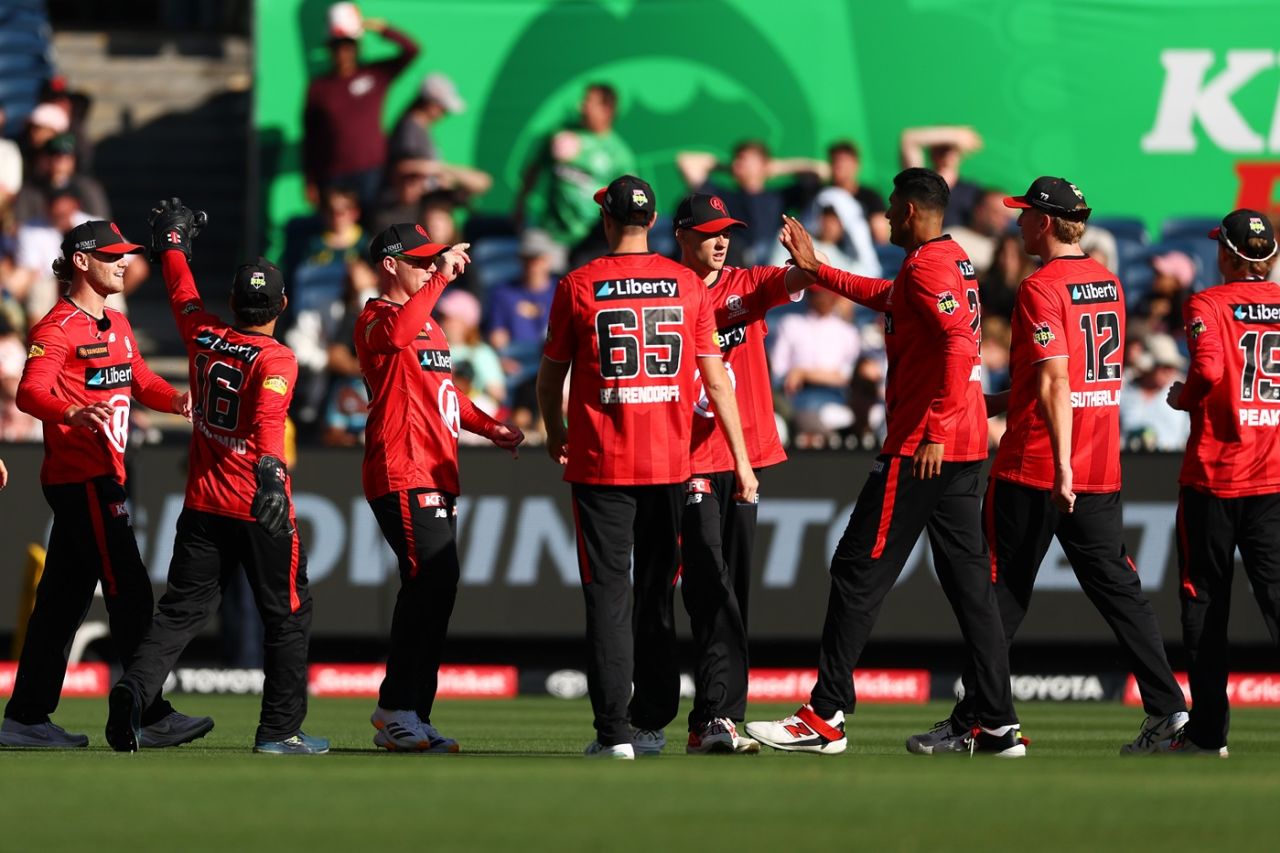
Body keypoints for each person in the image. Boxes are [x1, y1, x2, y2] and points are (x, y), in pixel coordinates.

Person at [744, 170, 1022, 756]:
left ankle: (825, 715)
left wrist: (937, 430)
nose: (888, 218)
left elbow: (959, 347)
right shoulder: (945, 262)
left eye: (895, 208)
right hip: (963, 448)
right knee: (972, 589)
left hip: (924, 449)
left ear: (915, 211)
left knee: (856, 569)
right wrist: (819, 270)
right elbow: (887, 297)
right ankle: (997, 723)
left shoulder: (929, 267)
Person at [927, 177, 1187, 756]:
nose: (1017, 225)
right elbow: (1064, 377)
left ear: (1045, 223)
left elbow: (1055, 380)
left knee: (996, 596)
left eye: (1024, 216)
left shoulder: (1039, 287)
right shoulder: (1110, 282)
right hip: (1098, 463)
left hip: (1039, 464)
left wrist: (1060, 465)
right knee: (1120, 592)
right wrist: (992, 402)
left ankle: (983, 723)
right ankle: (1169, 709)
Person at [535, 175, 758, 759]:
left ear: (607, 221)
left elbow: (550, 374)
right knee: (657, 594)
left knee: (608, 596)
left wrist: (555, 432)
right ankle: (651, 721)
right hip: (670, 465)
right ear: (654, 222)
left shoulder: (578, 284)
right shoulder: (688, 285)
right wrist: (742, 459)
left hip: (602, 463)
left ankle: (616, 733)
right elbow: (716, 378)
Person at [105, 199, 325, 755]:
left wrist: (173, 246)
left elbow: (182, 294)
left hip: (202, 504)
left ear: (232, 302)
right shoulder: (276, 358)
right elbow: (269, 420)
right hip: (256, 503)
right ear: (282, 304)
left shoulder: (204, 335)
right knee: (288, 616)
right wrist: (273, 474)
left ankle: (135, 687)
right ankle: (279, 731)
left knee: (180, 610)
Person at [0, 219, 208, 749]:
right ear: (80, 261)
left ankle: (25, 717)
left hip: (101, 477)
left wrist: (178, 399)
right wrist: (70, 411)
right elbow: (30, 393)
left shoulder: (115, 322)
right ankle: (151, 709)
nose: (125, 262)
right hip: (83, 478)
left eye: (127, 254)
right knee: (129, 587)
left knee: (62, 602)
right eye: (113, 255)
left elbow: (140, 379)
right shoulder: (56, 327)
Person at [356, 222, 523, 753]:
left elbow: (447, 394)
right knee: (432, 579)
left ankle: (412, 709)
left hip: (437, 470)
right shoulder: (376, 317)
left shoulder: (430, 325)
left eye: (436, 261)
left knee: (435, 588)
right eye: (422, 261)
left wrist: (492, 426)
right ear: (391, 265)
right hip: (402, 469)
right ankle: (396, 708)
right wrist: (441, 281)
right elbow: (398, 334)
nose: (432, 267)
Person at [664, 194, 814, 754]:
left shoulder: (746, 283)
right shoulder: (666, 293)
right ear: (681, 236)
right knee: (706, 583)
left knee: (732, 591)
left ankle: (717, 718)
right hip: (688, 460)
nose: (721, 240)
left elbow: (795, 279)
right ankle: (688, 713)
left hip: (744, 459)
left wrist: (810, 261)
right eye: (709, 232)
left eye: (726, 231)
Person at [1163, 208, 1280, 757]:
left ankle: (1208, 735)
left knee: (1206, 608)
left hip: (1214, 478)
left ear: (1230, 255)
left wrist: (1182, 397)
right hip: (1273, 483)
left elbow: (1208, 372)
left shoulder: (1208, 302)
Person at [302, 12, 419, 211]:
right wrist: (310, 179)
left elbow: (411, 51)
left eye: (349, 46)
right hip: (333, 174)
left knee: (374, 228)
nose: (343, 53)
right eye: (337, 47)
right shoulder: (319, 87)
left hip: (373, 171)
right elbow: (310, 136)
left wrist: (383, 29)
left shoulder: (374, 75)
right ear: (330, 50)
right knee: (341, 233)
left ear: (357, 48)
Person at [515, 84, 635, 270]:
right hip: (551, 233)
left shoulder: (620, 154)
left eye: (589, 102)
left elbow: (629, 199)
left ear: (607, 109)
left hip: (593, 240)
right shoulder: (561, 136)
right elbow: (534, 168)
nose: (581, 106)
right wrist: (520, 204)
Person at [676, 140, 825, 267]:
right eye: (736, 159)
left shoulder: (779, 196)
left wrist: (773, 168)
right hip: (736, 260)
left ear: (764, 164)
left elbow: (822, 172)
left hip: (772, 261)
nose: (737, 163)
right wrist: (728, 167)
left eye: (743, 158)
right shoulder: (723, 195)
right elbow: (686, 162)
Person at [385, 73, 491, 198]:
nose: (445, 114)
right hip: (410, 207)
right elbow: (405, 172)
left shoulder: (417, 128)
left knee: (482, 181)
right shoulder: (409, 129)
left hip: (426, 199)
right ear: (431, 105)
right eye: (444, 108)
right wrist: (440, 173)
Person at [899, 126, 984, 228]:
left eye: (951, 148)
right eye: (940, 147)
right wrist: (955, 136)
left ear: (959, 153)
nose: (946, 153)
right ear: (931, 151)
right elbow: (909, 140)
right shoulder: (920, 182)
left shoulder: (972, 191)